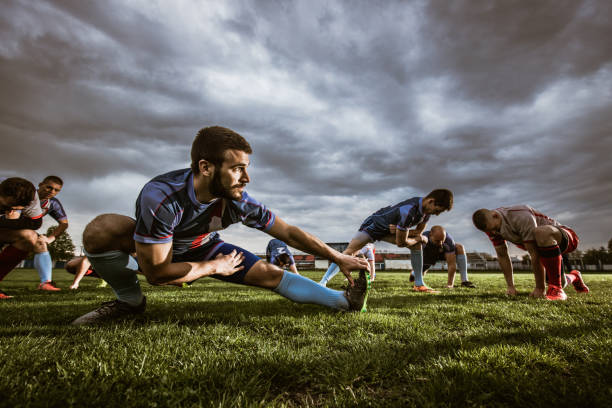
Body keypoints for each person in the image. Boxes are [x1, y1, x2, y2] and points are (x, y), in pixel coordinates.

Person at [71, 126, 371, 325]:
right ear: (206, 167)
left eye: (246, 169)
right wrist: (215, 267)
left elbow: (288, 232)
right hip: (157, 254)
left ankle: (345, 303)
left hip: (203, 246)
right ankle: (129, 302)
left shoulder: (238, 199)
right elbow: (157, 274)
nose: (246, 178)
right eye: (237, 168)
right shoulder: (161, 197)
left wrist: (336, 255)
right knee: (100, 229)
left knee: (269, 273)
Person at [319, 190, 454, 293]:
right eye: (437, 211)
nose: (436, 214)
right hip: (374, 225)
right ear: (431, 201)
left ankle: (419, 284)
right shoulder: (409, 211)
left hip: (390, 230)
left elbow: (417, 232)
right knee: (349, 252)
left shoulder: (426, 213)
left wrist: (402, 231)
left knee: (416, 244)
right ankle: (322, 284)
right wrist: (415, 237)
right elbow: (402, 243)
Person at [472, 205, 589, 300]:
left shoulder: (520, 216)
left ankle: (556, 289)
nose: (494, 233)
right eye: (490, 231)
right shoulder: (491, 226)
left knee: (541, 232)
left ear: (495, 215)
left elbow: (535, 254)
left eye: (495, 229)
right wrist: (510, 287)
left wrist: (540, 288)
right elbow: (502, 255)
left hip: (565, 237)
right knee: (561, 281)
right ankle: (574, 277)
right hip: (546, 250)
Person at [0, 177, 43, 299]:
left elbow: (35, 223)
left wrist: (8, 221)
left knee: (29, 237)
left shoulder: (31, 196)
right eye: (7, 205)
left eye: (15, 207)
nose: (10, 210)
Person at [408, 225, 476, 288]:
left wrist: (450, 284)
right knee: (414, 276)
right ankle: (415, 273)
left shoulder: (448, 241)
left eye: (442, 241)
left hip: (442, 253)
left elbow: (451, 264)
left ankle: (464, 281)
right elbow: (416, 255)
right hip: (427, 254)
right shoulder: (423, 237)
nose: (440, 243)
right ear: (430, 235)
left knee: (459, 247)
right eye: (437, 241)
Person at [32, 176, 69, 291]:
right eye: (49, 187)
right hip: (6, 225)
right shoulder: (26, 194)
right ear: (40, 184)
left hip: (22, 231)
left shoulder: (52, 203)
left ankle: (45, 283)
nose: (52, 192)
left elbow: (64, 224)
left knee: (41, 243)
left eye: (56, 190)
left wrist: (50, 239)